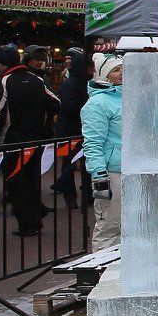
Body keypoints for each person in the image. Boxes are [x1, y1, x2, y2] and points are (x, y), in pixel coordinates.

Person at [0, 45, 59, 238]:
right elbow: (56, 102)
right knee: (31, 179)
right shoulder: (37, 80)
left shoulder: (4, 82)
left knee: (17, 182)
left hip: (14, 139)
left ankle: (26, 224)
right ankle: (35, 219)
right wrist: (43, 121)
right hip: (35, 138)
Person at [82, 55, 124, 250]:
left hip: (131, 168)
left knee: (128, 225)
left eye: (123, 68)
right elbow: (93, 143)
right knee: (110, 225)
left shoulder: (129, 97)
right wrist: (99, 175)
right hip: (112, 171)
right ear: (104, 75)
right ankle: (101, 271)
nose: (122, 73)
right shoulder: (97, 104)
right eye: (116, 70)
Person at [53, 49, 91, 205]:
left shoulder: (82, 82)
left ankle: (85, 195)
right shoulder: (72, 84)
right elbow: (69, 107)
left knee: (83, 164)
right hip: (71, 130)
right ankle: (71, 197)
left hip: (78, 129)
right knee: (69, 164)